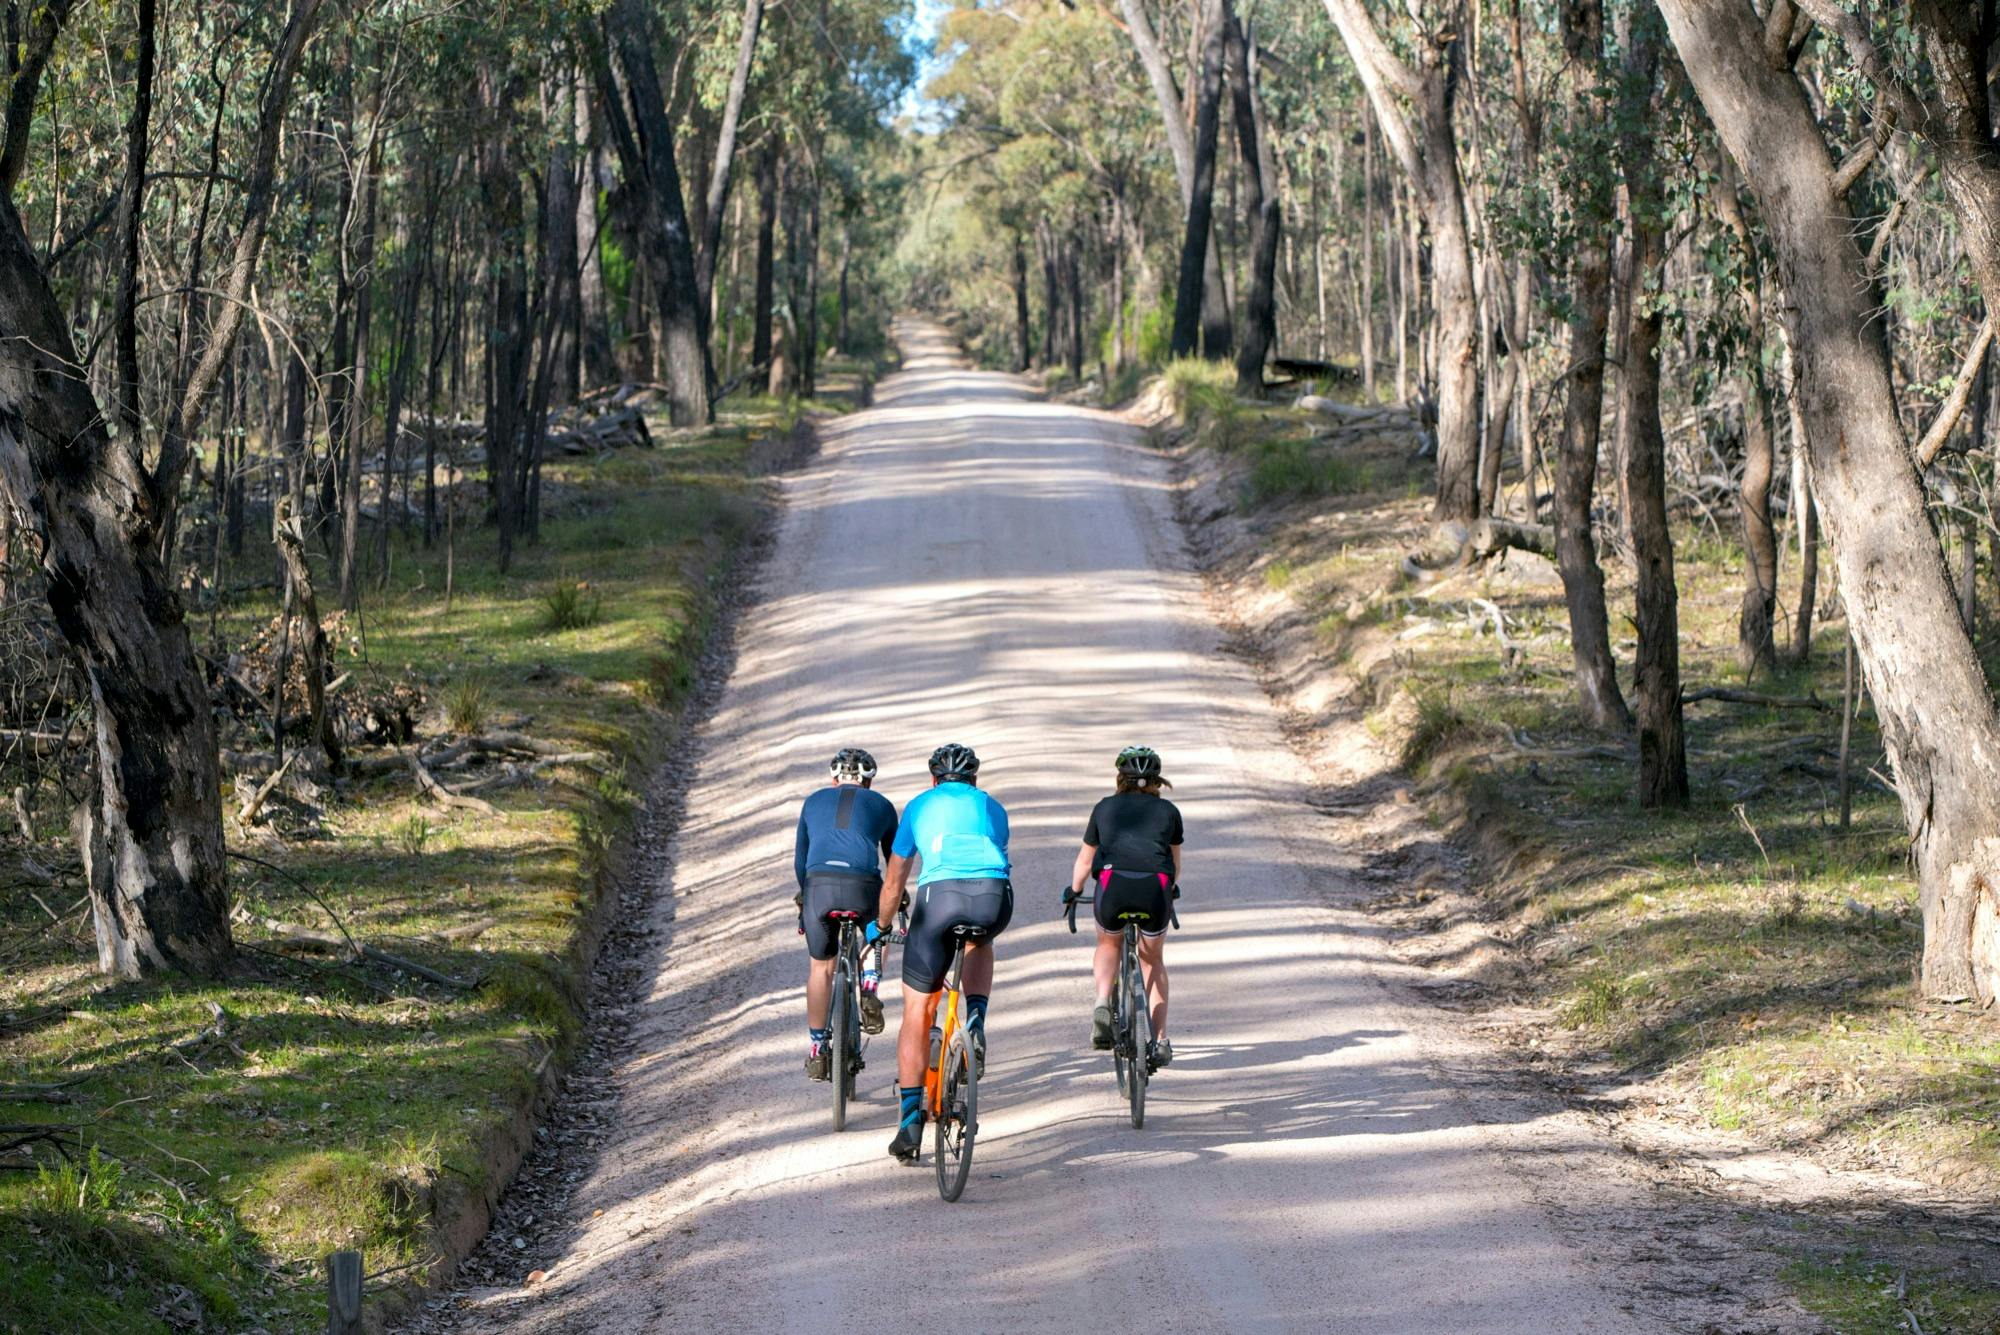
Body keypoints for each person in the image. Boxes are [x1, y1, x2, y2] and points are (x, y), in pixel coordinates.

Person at [867, 742, 1012, 1164]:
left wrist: (882, 925)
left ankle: (910, 1122)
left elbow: (894, 882)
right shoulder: (992, 806)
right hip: (992, 896)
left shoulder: (917, 806)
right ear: (974, 781)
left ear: (934, 780)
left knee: (917, 1012)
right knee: (980, 939)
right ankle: (977, 1020)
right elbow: (998, 856)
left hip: (939, 897)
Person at [1066, 745, 1182, 1071]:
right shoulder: (1169, 812)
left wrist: (1073, 892)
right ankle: (1159, 1040)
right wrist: (1170, 889)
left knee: (1108, 942)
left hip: (1113, 885)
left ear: (1120, 777)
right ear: (1157, 781)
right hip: (1155, 887)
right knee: (1152, 960)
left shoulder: (1104, 808)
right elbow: (1174, 863)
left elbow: (1085, 861)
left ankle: (1103, 1000)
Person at [794, 748, 898, 1082]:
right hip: (862, 885)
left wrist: (804, 899)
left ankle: (817, 1048)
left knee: (820, 967)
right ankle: (869, 985)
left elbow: (801, 860)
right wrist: (899, 900)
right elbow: (893, 863)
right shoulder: (881, 805)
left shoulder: (812, 801)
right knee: (878, 927)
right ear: (869, 780)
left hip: (818, 886)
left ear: (833, 778)